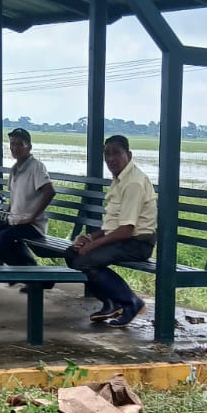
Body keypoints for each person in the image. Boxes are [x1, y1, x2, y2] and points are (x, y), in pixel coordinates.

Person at [66, 135, 156, 326]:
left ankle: (132, 303)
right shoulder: (119, 179)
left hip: (138, 243)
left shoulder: (133, 182)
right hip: (122, 239)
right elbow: (113, 226)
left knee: (85, 260)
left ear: (128, 155)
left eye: (116, 153)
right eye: (107, 154)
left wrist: (93, 246)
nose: (111, 159)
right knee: (71, 253)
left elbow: (126, 230)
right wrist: (89, 238)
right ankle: (111, 303)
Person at [0, 128, 56, 267]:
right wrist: (7, 213)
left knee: (4, 237)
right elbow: (14, 197)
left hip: (32, 225)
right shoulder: (15, 168)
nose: (15, 148)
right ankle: (20, 267)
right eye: (12, 144)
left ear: (29, 147)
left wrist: (31, 217)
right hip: (15, 220)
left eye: (20, 144)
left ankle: (28, 269)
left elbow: (50, 191)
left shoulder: (36, 167)